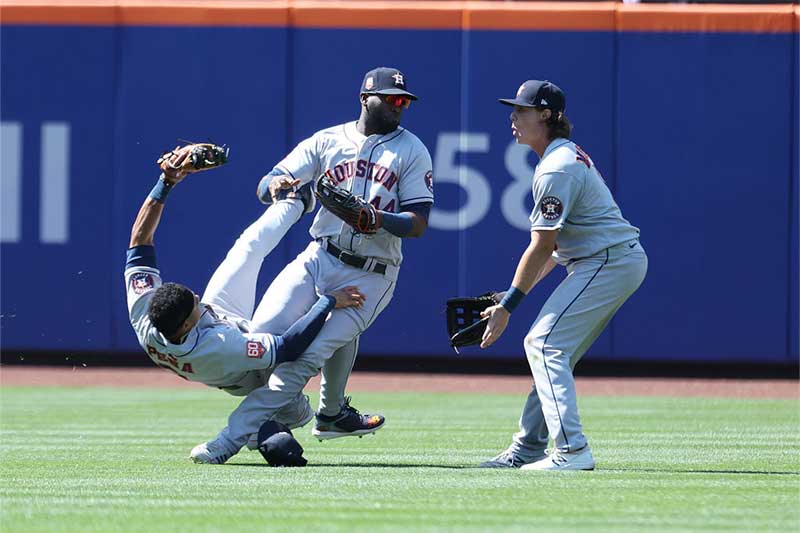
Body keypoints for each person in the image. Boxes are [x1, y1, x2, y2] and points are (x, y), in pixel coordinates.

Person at [190, 66, 435, 463]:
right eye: (390, 98)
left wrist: (377, 219)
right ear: (364, 99)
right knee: (261, 339)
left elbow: (418, 223)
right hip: (320, 256)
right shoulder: (327, 142)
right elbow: (270, 180)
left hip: (371, 275)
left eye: (404, 100)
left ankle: (228, 441)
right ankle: (322, 414)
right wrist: (275, 187)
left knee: (304, 359)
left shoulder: (411, 149)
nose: (399, 106)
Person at [125, 144, 366, 464]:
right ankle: (272, 425)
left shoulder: (145, 311)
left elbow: (140, 240)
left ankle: (297, 199)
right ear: (185, 324)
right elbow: (288, 347)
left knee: (247, 248)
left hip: (221, 330)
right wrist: (326, 303)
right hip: (255, 372)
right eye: (193, 303)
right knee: (295, 385)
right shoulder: (219, 346)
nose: (197, 297)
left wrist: (166, 181)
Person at [479, 80, 648, 471]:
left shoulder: (556, 168)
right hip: (608, 261)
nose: (513, 117)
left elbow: (541, 247)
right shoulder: (559, 158)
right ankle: (528, 447)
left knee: (543, 345)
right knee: (554, 349)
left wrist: (509, 306)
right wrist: (510, 298)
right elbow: (554, 252)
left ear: (546, 115)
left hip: (608, 262)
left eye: (522, 110)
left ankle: (573, 452)